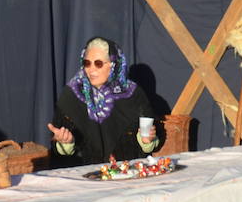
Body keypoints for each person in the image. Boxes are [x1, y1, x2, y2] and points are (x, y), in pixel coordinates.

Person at [47, 36, 162, 164]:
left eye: (98, 63)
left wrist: (146, 141)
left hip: (127, 174)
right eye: (87, 63)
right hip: (84, 177)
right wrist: (66, 143)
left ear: (113, 65)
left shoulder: (133, 94)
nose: (91, 69)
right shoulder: (72, 95)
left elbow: (151, 141)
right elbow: (60, 150)